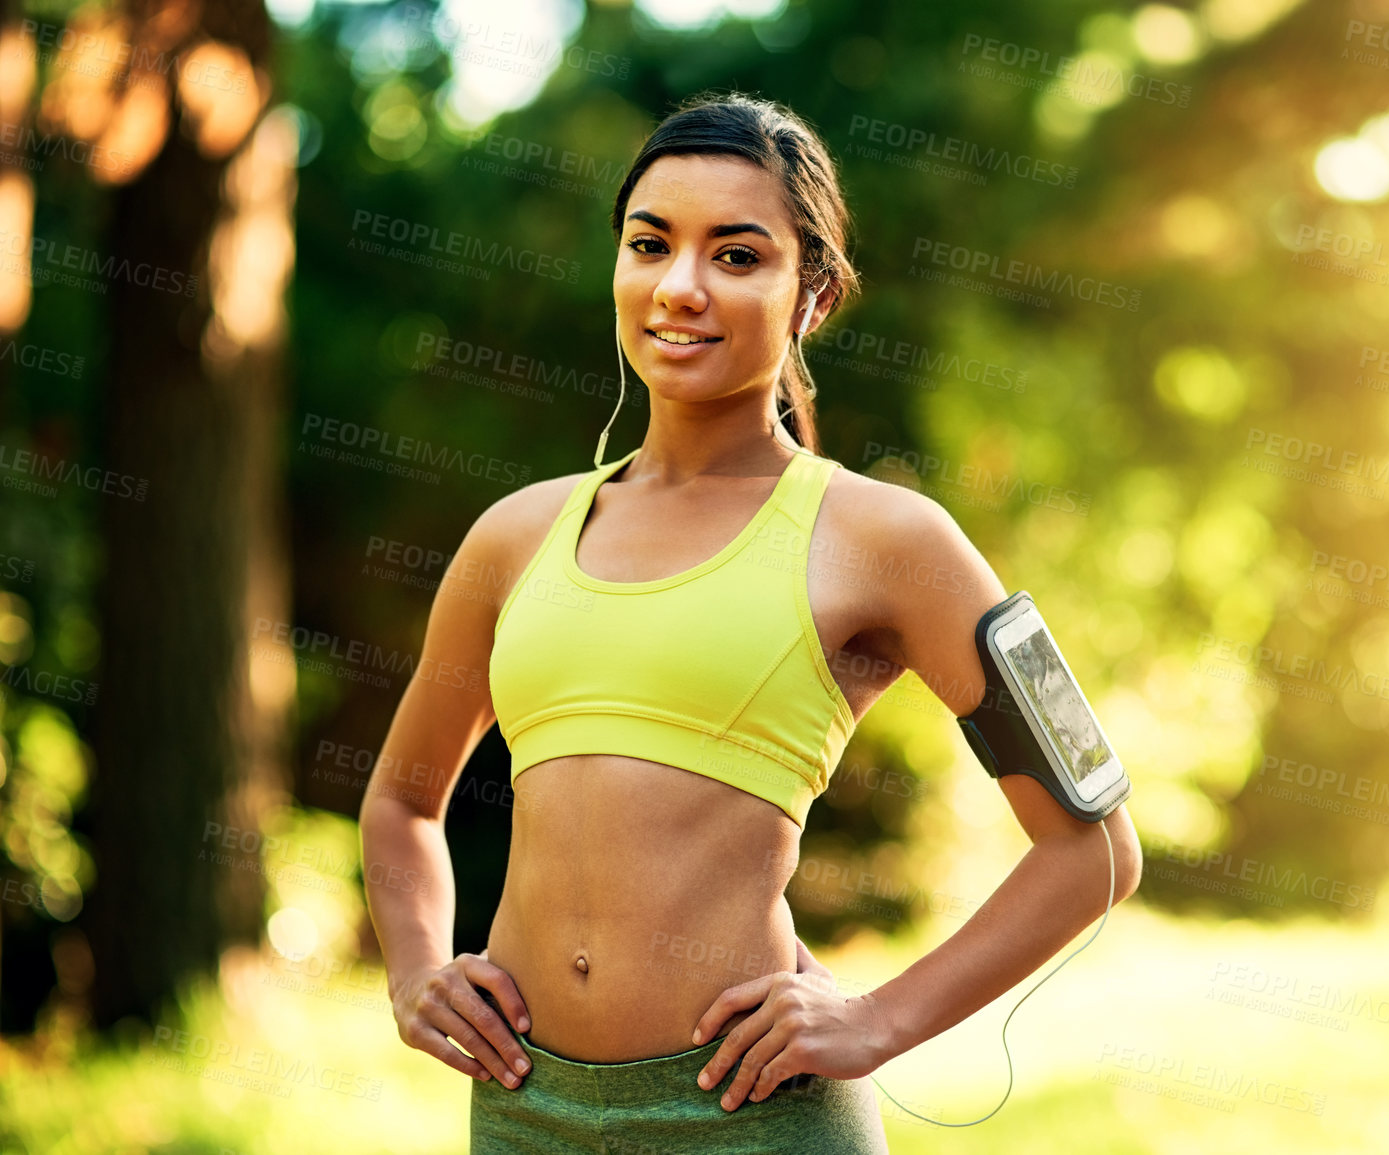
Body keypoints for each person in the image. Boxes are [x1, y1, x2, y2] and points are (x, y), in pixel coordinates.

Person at [357, 91, 1143, 1154]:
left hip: (751, 1118)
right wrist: (416, 974)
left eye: (737, 256)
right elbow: (405, 801)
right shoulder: (514, 535)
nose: (679, 287)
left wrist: (878, 1021)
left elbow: (1091, 846)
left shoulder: (891, 540)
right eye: (650, 245)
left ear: (812, 294)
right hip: (522, 1112)